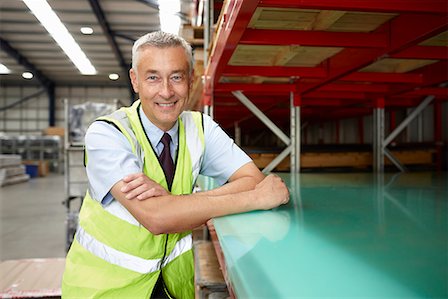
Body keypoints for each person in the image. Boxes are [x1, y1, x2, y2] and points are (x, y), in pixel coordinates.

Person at [62, 31, 289, 299]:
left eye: (177, 77)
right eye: (153, 77)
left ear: (191, 81)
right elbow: (157, 218)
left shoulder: (201, 128)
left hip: (171, 288)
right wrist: (255, 199)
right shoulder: (108, 134)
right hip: (105, 290)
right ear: (135, 80)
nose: (166, 91)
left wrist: (177, 203)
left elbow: (252, 179)